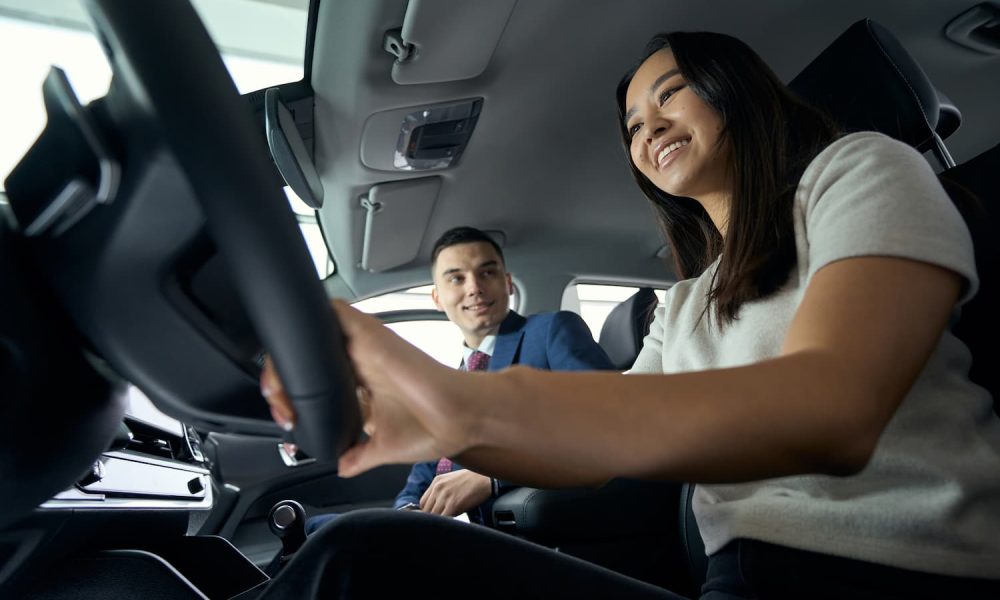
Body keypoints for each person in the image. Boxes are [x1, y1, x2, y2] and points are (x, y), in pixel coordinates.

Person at [262, 31, 1000, 599]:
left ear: (735, 91)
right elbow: (590, 453)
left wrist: (467, 408)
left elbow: (834, 409)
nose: (648, 127)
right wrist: (431, 424)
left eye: (671, 95)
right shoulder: (682, 305)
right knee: (363, 552)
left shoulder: (860, 169)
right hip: (733, 581)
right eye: (632, 124)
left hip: (902, 573)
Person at [299, 226, 614, 534]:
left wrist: (492, 480)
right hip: (447, 532)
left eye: (487, 273)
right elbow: (420, 477)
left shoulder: (550, 332)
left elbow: (602, 423)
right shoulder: (452, 379)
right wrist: (408, 514)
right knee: (316, 532)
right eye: (456, 278)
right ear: (437, 297)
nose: (474, 287)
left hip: (511, 535)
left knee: (328, 537)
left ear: (508, 284)